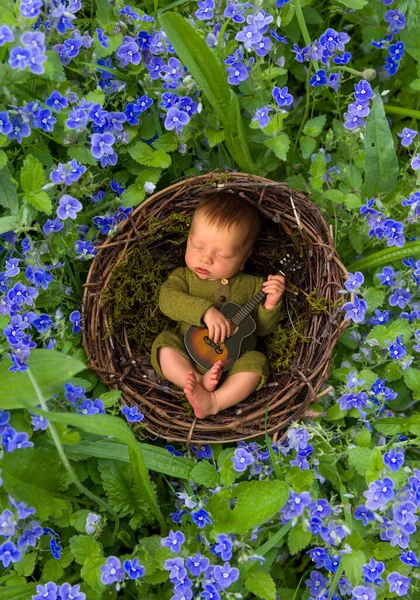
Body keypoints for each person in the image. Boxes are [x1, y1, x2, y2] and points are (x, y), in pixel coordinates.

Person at [150, 190, 285, 419]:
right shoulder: (184, 277)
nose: (205, 259)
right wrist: (204, 312)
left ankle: (214, 401)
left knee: (257, 364)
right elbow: (167, 300)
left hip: (230, 369)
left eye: (221, 255)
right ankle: (193, 380)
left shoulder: (253, 286)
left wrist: (271, 304)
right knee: (164, 344)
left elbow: (261, 330)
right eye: (197, 246)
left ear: (243, 260)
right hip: (186, 354)